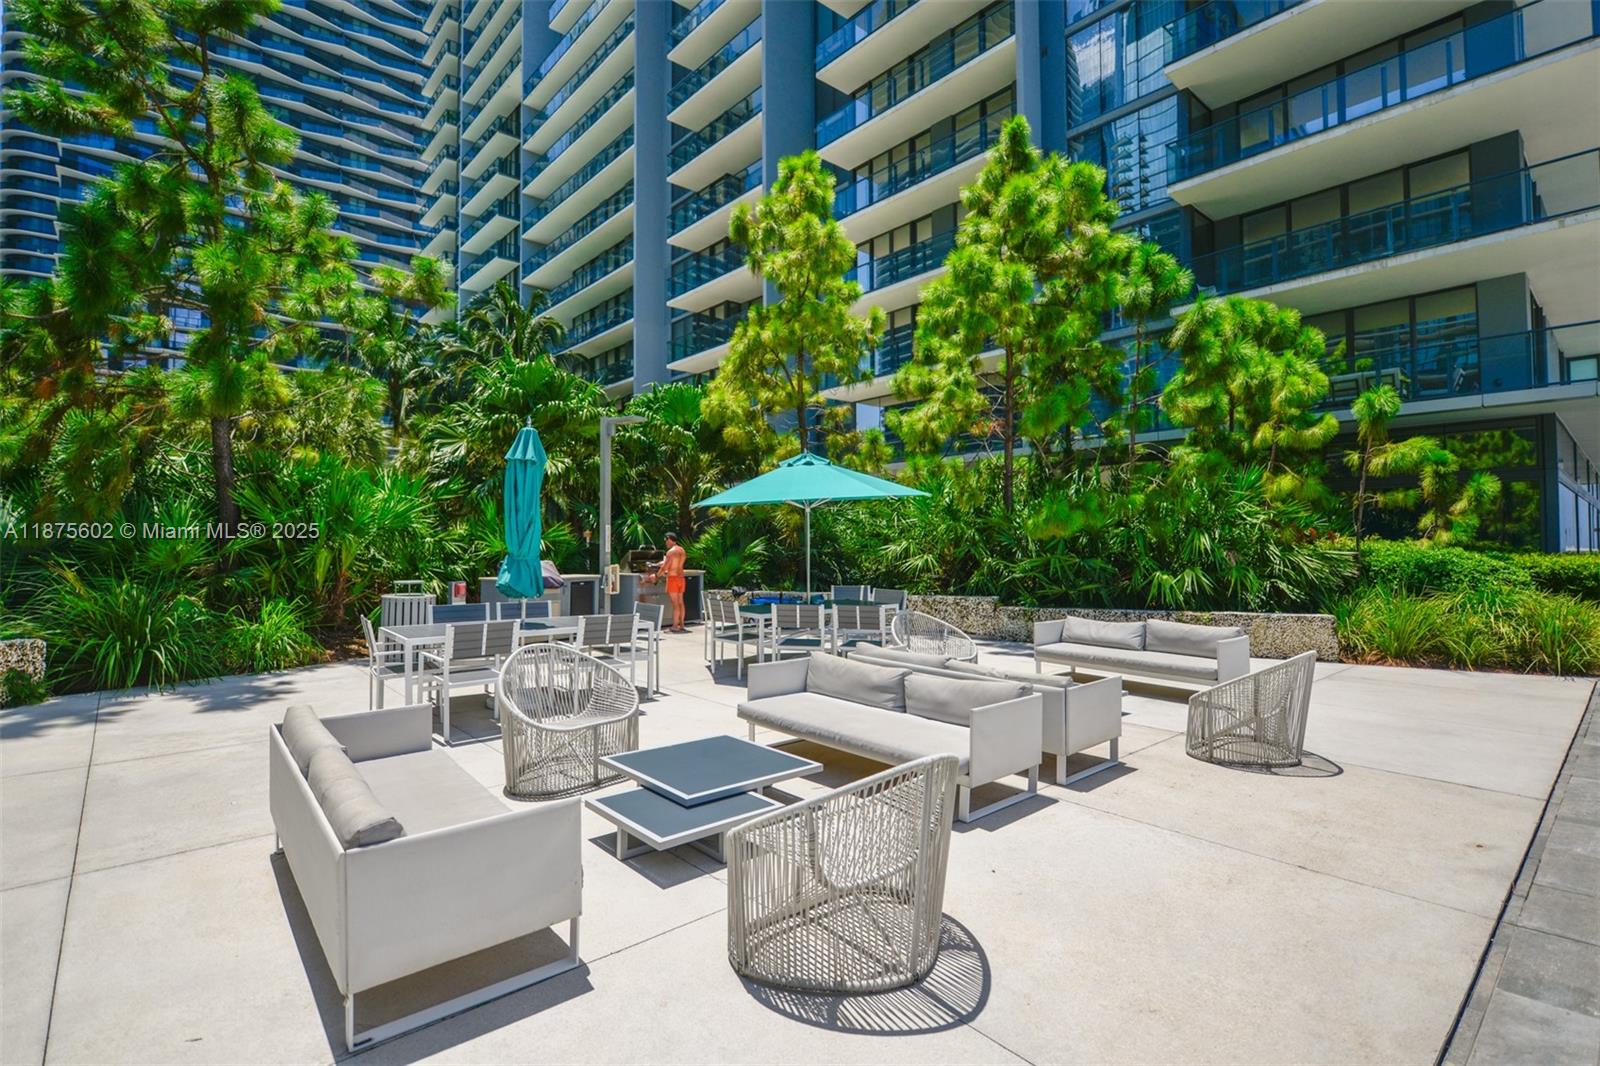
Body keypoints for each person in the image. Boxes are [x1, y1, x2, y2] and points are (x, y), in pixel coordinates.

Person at [646, 532, 688, 633]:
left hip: (673, 579)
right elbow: (672, 563)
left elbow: (666, 567)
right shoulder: (682, 550)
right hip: (681, 578)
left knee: (675, 604)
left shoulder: (670, 552)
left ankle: (674, 626)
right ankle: (681, 625)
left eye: (666, 541)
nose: (666, 544)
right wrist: (658, 564)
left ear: (669, 539)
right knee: (681, 602)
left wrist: (656, 576)